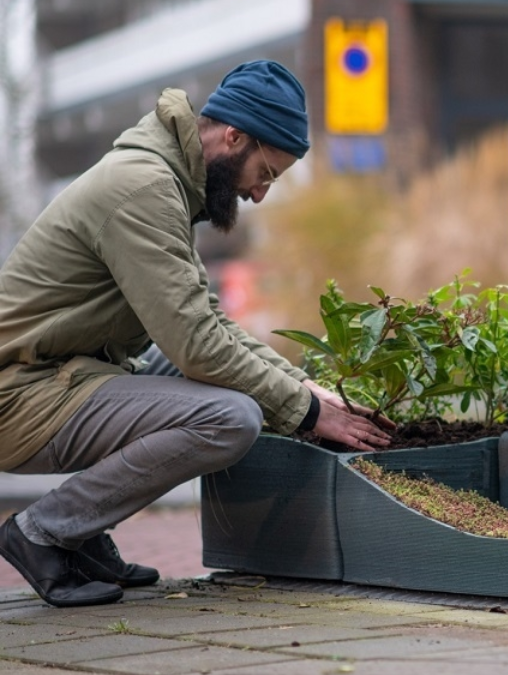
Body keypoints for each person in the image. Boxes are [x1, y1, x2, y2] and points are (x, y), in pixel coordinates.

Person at [0, 60, 392, 608]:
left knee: (230, 386)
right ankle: (44, 531)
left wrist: (303, 386)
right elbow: (196, 346)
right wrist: (303, 411)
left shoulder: (168, 181)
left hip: (65, 374)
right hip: (21, 395)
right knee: (232, 417)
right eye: (266, 173)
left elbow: (207, 320)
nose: (260, 194)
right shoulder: (143, 188)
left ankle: (81, 534)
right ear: (233, 137)